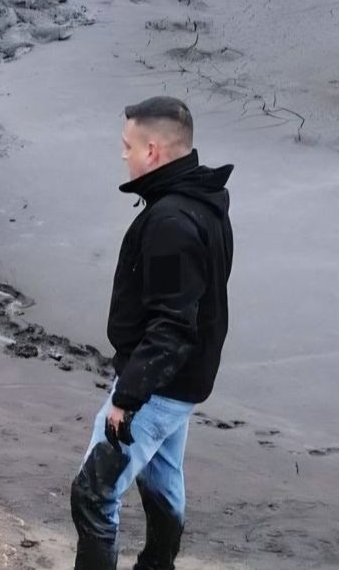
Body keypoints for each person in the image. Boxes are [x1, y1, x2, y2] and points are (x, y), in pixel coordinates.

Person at [71, 96, 234, 570]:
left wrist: (127, 397)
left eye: (127, 146)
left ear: (154, 151)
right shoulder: (203, 204)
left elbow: (171, 327)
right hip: (184, 380)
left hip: (159, 386)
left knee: (94, 492)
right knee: (161, 481)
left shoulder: (171, 223)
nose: (122, 154)